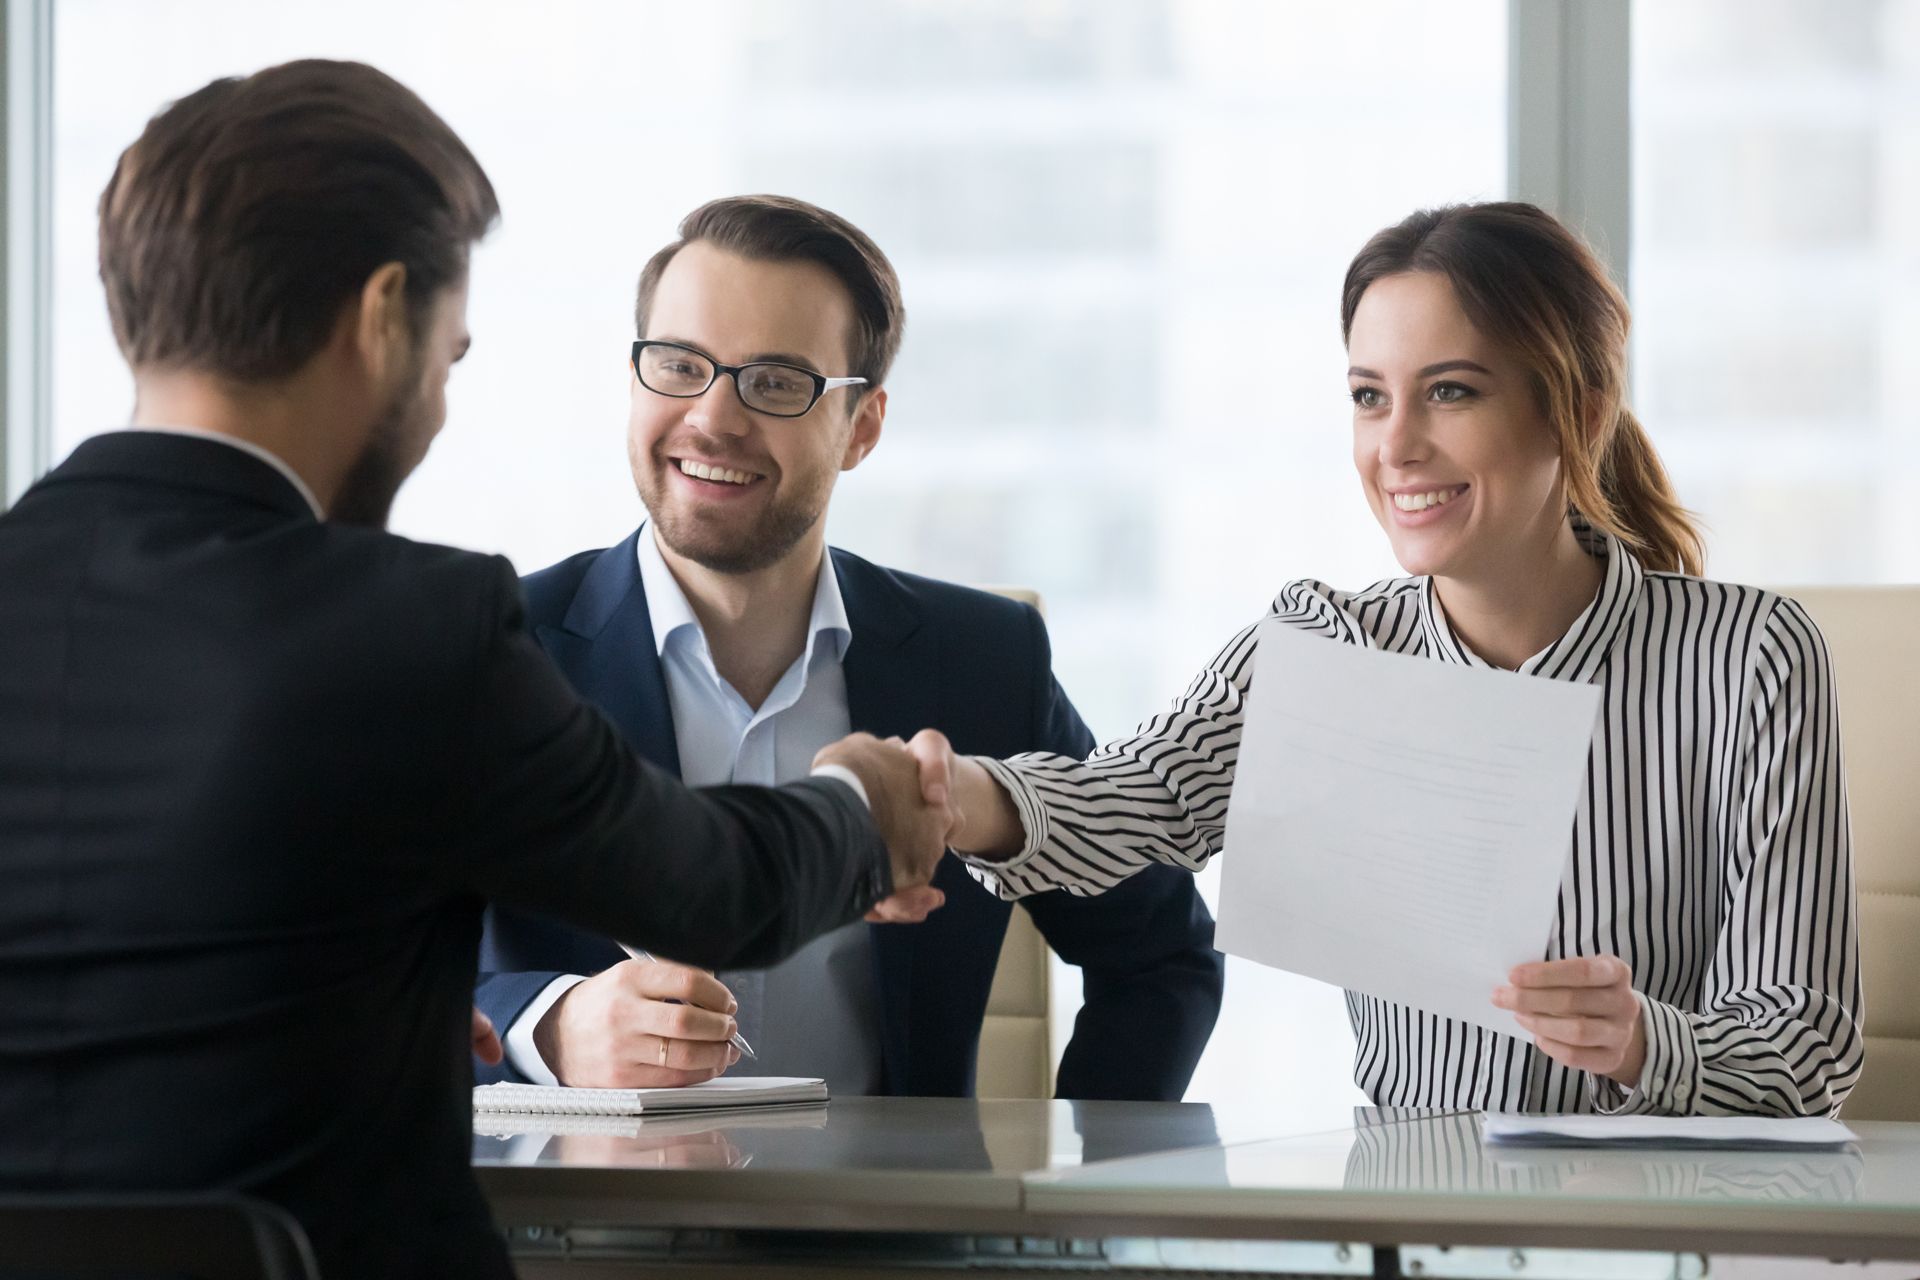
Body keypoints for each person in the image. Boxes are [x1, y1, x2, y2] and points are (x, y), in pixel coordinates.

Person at [0, 61, 947, 1280]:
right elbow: (713, 888)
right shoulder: (412, 626)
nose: (439, 398)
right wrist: (864, 806)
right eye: (448, 354)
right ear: (381, 316)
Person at [909, 201, 1863, 1118]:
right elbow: (1144, 796)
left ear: (1579, 408)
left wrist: (1644, 1043)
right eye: (1370, 398)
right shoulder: (1332, 645)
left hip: (1656, 1215)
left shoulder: (1749, 660)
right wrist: (954, 796)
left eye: (1450, 391)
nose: (1396, 446)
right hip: (1405, 1209)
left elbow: (1807, 1043)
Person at [476, 195, 1222, 1101]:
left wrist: (1073, 1208)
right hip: (578, 1237)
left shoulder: (982, 662)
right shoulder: (487, 650)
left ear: (862, 427)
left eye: (778, 381)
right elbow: (329, 985)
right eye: (679, 366)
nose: (712, 419)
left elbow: (1163, 954)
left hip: (887, 1235)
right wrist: (546, 1027)